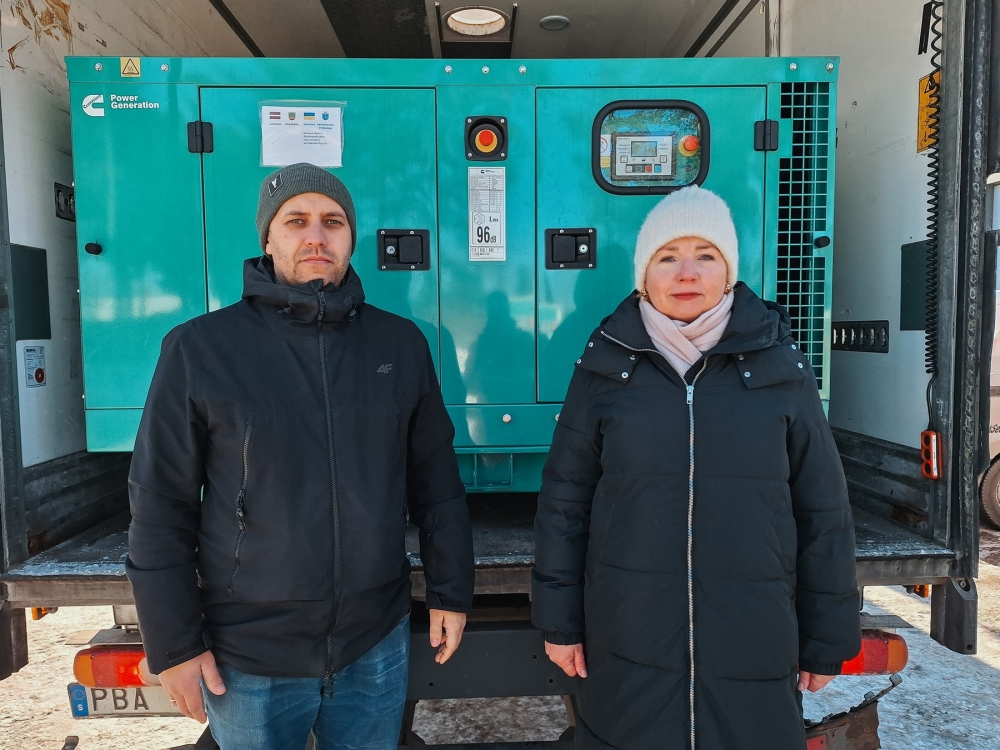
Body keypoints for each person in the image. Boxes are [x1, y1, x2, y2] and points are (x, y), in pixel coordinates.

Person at [126, 162, 474, 750]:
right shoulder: (200, 348)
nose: (316, 236)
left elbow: (436, 481)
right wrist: (175, 643)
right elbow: (160, 505)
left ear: (350, 239)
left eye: (333, 222)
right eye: (296, 221)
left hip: (373, 643)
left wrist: (451, 590)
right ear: (268, 238)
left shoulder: (399, 344)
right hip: (249, 654)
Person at [532, 186, 860, 750]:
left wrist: (826, 636)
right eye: (668, 257)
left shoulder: (782, 368)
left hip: (753, 638)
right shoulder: (603, 366)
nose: (687, 273)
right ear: (644, 276)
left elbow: (823, 509)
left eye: (705, 255)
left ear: (728, 272)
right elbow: (565, 502)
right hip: (629, 637)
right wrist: (560, 621)